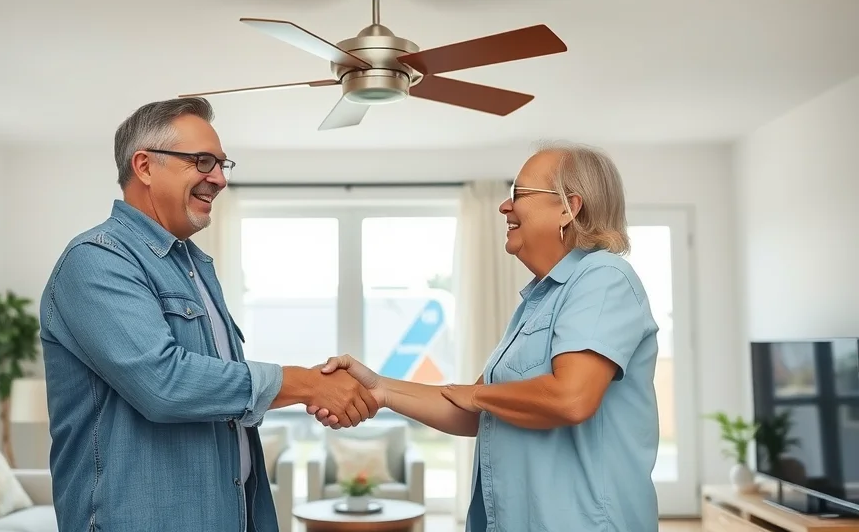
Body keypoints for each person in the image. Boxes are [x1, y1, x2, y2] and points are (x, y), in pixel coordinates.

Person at [39, 97, 378, 532]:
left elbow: (218, 394)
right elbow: (165, 383)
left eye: (222, 164)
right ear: (144, 166)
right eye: (202, 162)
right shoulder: (97, 260)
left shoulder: (196, 265)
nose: (218, 179)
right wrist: (305, 382)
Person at [313, 143, 660, 532]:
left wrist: (476, 394)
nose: (504, 207)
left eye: (519, 194)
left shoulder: (603, 278)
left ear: (568, 206)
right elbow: (472, 412)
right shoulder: (539, 301)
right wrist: (379, 389)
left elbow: (571, 397)